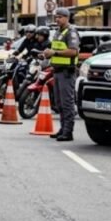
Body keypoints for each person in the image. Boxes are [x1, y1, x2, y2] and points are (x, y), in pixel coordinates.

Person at [42, 8, 81, 141]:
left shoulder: (71, 32)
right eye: (56, 17)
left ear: (66, 18)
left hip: (66, 72)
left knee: (67, 103)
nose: (57, 19)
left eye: (59, 17)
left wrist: (55, 53)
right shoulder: (58, 32)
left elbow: (73, 51)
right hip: (57, 71)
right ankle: (62, 128)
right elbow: (55, 49)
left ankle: (68, 132)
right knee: (59, 103)